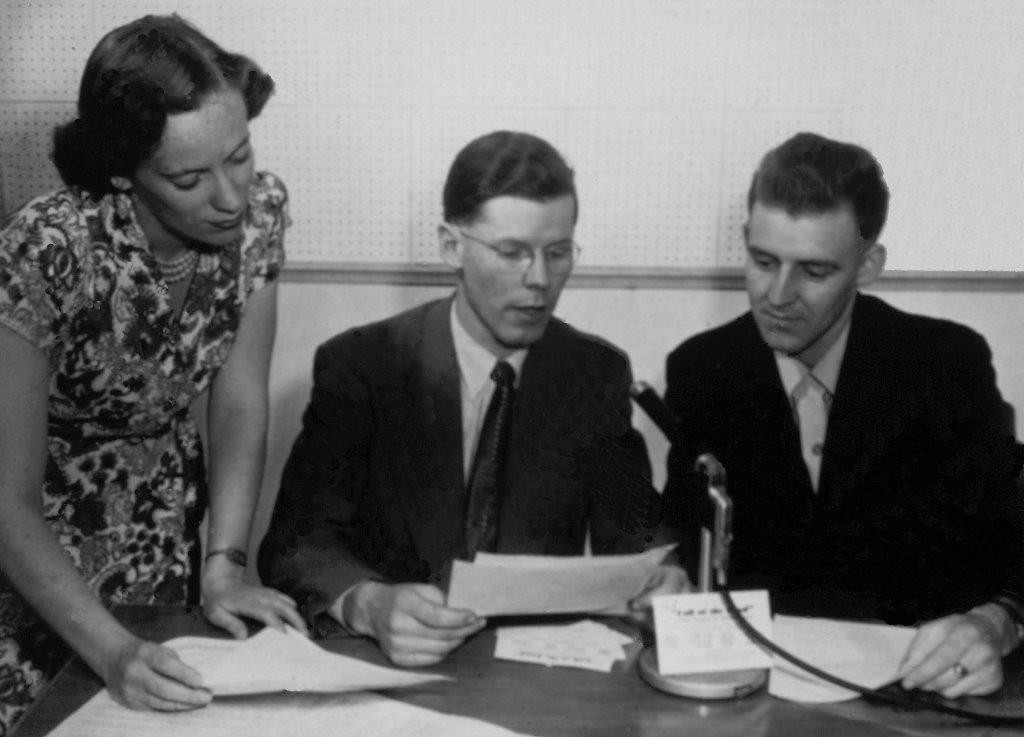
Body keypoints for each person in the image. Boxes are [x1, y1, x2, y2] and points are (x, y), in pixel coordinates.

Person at [258, 130, 687, 667]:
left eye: (558, 253)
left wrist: (663, 577)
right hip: (388, 669)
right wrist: (368, 605)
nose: (539, 280)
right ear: (450, 246)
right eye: (512, 253)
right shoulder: (363, 365)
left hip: (532, 677)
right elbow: (294, 545)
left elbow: (636, 532)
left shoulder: (594, 373)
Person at [0, 14, 306, 731]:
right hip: (32, 558)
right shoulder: (46, 249)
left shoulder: (259, 215)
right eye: (190, 178)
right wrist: (110, 649)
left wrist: (225, 564)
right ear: (121, 172)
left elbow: (238, 404)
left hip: (162, 525)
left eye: (240, 154)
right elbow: (5, 499)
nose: (231, 197)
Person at [662, 131, 1024, 698]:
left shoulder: (947, 365)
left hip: (918, 689)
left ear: (867, 265)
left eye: (813, 271)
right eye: (762, 261)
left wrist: (995, 622)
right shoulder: (702, 370)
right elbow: (686, 532)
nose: (777, 295)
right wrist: (667, 574)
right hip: (755, 693)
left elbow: (1014, 531)